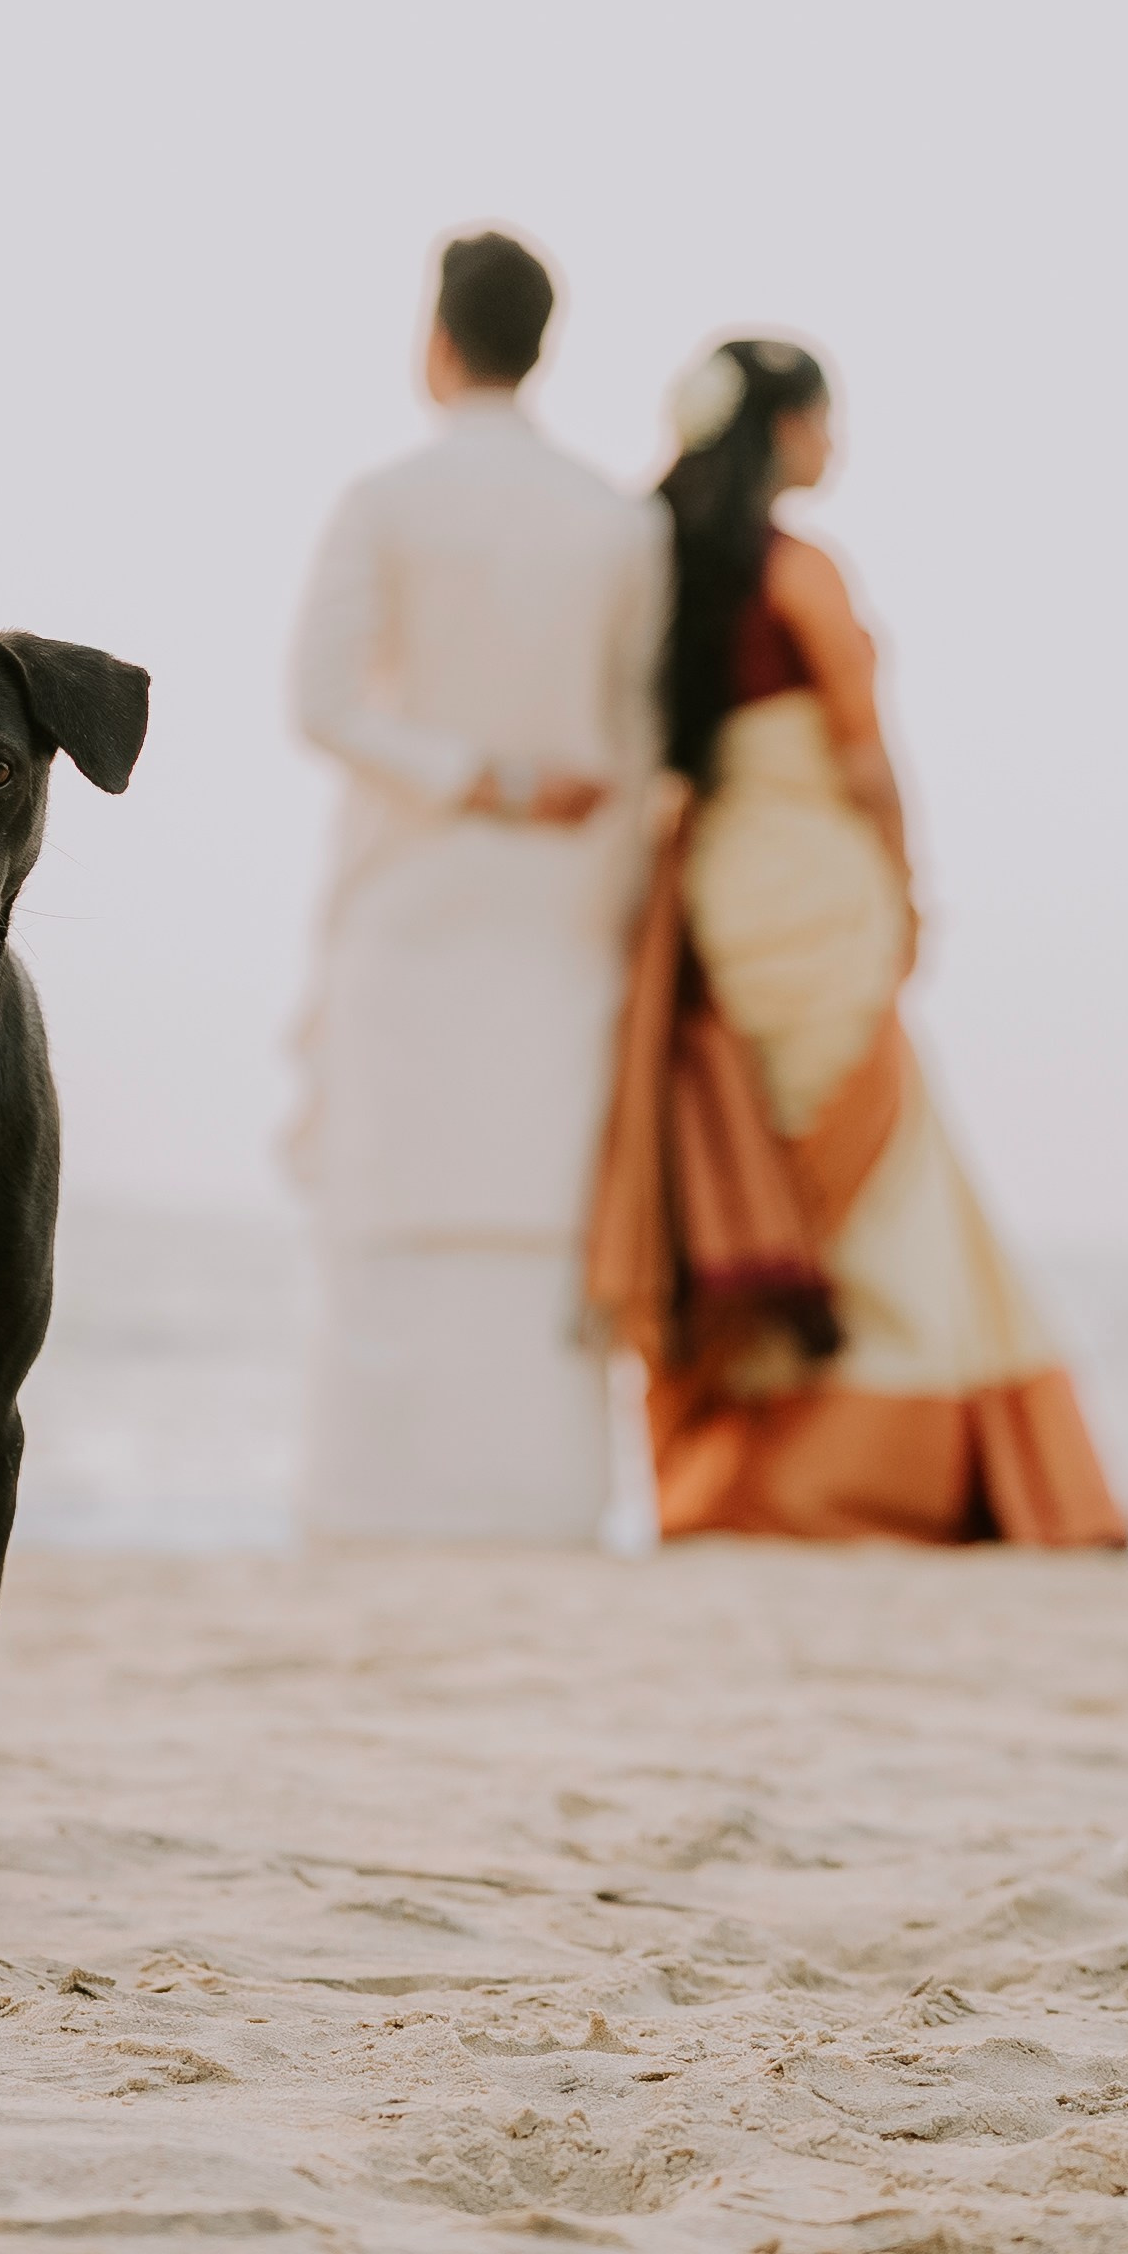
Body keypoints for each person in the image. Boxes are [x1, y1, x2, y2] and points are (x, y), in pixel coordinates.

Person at [586, 333, 1126, 1546]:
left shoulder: (658, 569)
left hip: (718, 895)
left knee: (758, 1162)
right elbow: (863, 757)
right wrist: (906, 884)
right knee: (875, 1181)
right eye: (825, 419)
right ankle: (872, 1472)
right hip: (813, 884)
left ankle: (742, 1469)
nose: (835, 444)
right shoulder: (799, 570)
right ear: (780, 429)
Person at [289, 231, 668, 1543]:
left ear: (435, 338)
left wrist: (473, 777)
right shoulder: (619, 522)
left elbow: (318, 701)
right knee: (534, 1213)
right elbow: (638, 745)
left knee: (390, 1201)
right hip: (563, 912)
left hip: (410, 895)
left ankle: (365, 1507)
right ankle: (545, 1507)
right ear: (542, 344)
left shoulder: (386, 497)